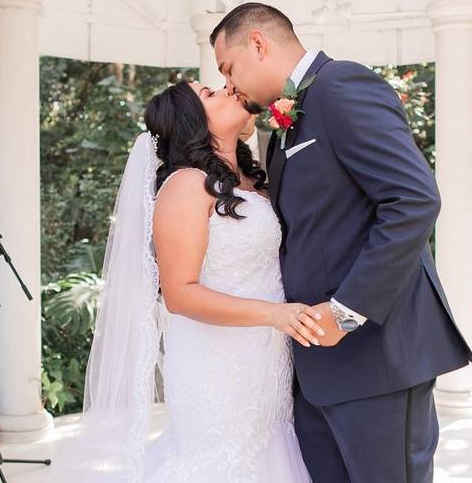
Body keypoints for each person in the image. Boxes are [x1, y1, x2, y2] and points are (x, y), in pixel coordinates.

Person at [211, 2, 472, 483]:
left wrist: (348, 311)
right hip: (316, 368)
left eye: (228, 67)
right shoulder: (279, 130)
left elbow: (413, 200)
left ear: (257, 42)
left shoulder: (343, 85)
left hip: (378, 358)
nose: (229, 83)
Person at [46, 78, 318, 482]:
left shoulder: (251, 177)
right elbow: (180, 294)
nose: (228, 90)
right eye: (210, 94)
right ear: (192, 121)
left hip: (266, 360)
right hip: (215, 364)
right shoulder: (185, 186)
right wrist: (275, 315)